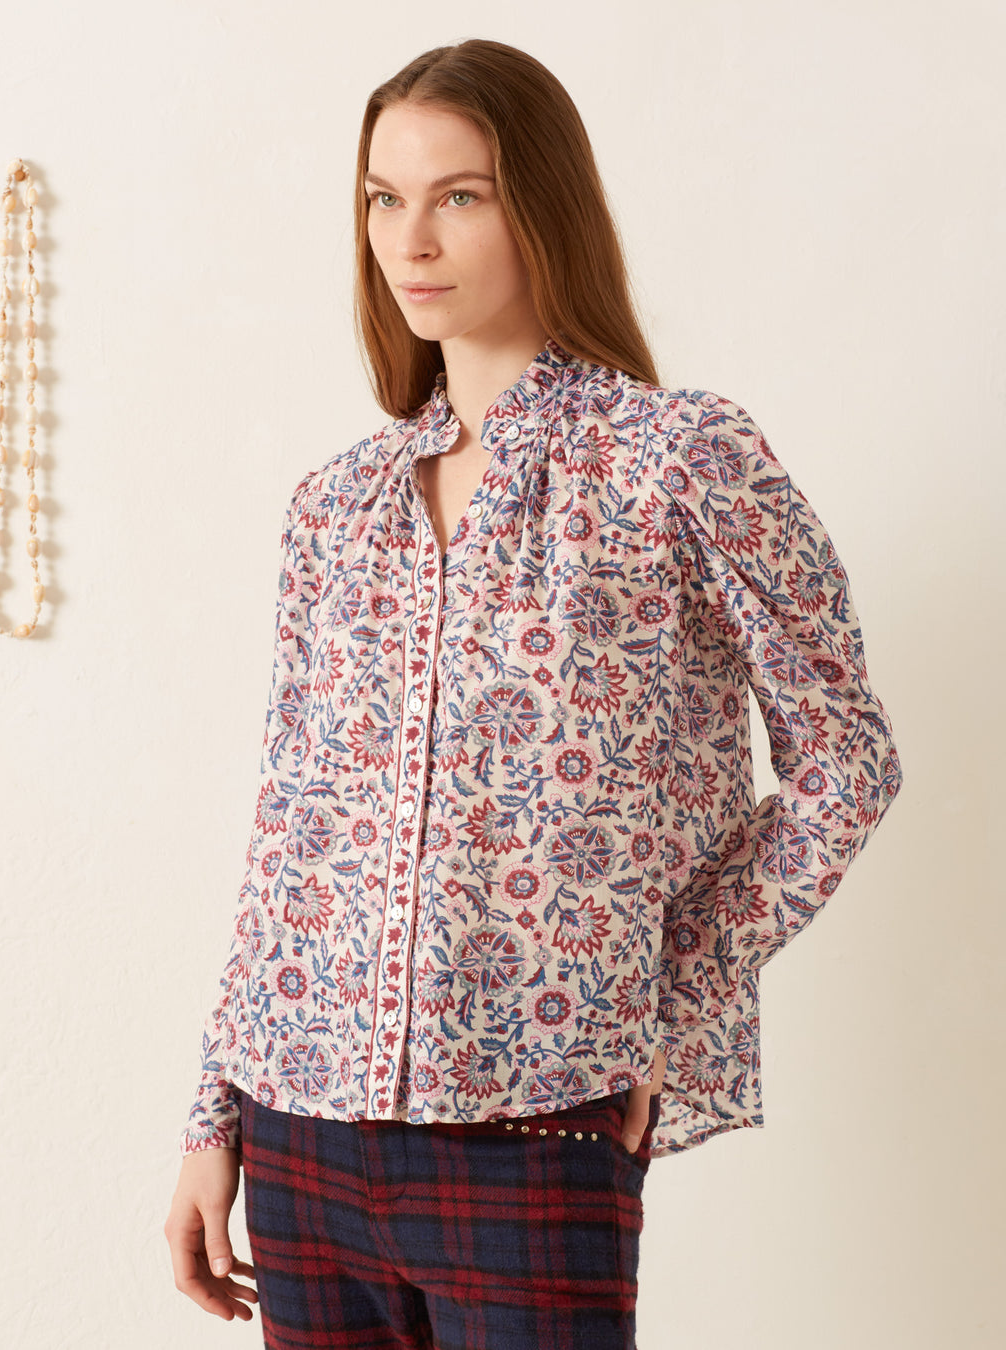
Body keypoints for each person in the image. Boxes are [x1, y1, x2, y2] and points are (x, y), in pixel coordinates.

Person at [164, 37, 902, 1350]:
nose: (412, 238)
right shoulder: (334, 507)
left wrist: (678, 990)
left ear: (542, 201)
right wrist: (214, 1117)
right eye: (384, 198)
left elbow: (849, 759)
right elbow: (293, 837)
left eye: (462, 193)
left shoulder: (681, 460)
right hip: (302, 1146)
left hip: (535, 1131)